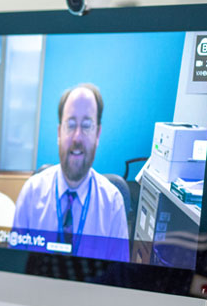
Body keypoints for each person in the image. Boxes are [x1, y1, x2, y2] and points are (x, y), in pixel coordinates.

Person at [12, 83, 129, 262]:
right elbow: (15, 266)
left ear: (97, 134)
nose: (77, 137)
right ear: (59, 132)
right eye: (71, 125)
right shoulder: (31, 193)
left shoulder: (113, 205)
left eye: (87, 126)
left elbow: (118, 280)